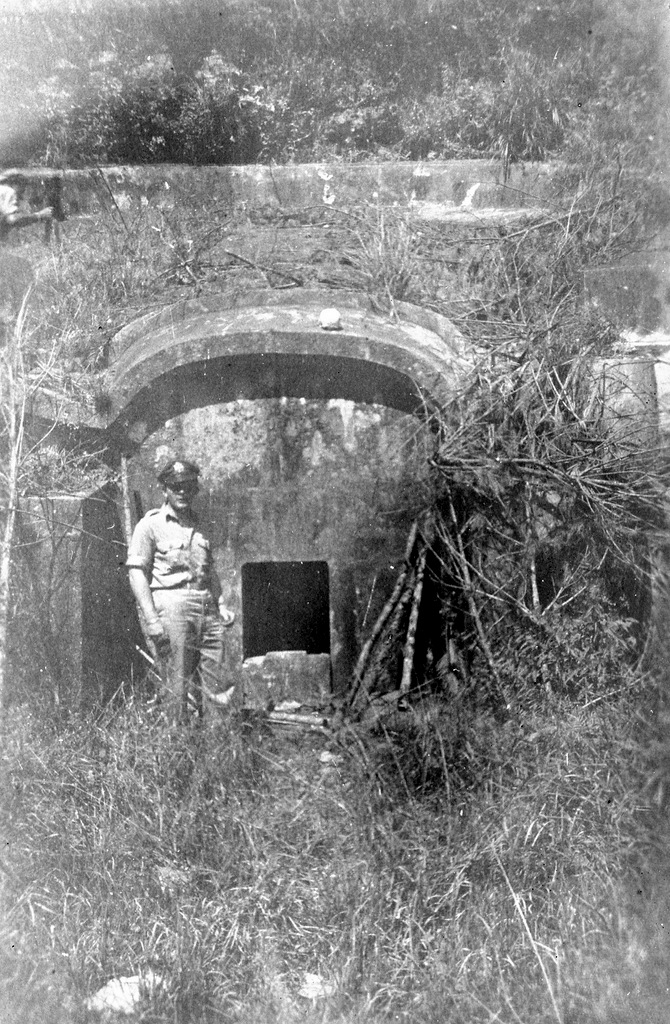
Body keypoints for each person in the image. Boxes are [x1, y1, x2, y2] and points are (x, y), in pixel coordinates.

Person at [126, 458, 235, 724]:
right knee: (176, 684)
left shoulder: (202, 525)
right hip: (172, 606)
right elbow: (136, 573)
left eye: (188, 486)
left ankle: (217, 743)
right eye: (176, 487)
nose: (183, 491)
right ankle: (176, 744)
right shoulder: (150, 526)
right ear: (164, 489)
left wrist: (221, 604)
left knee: (218, 682)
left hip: (206, 606)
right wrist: (152, 619)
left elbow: (210, 571)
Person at [0, 171, 54, 242]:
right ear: (15, 184)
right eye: (23, 186)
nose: (24, 190)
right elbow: (12, 219)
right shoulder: (8, 191)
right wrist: (39, 215)